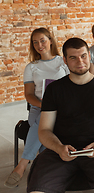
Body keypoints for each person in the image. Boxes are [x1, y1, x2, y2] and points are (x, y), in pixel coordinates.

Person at [27, 38, 94, 193]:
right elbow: (44, 130)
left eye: (83, 56)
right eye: (73, 57)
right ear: (65, 60)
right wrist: (59, 148)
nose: (80, 61)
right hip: (60, 149)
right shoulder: (54, 90)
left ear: (90, 56)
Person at [4, 28, 69, 188]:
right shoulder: (31, 67)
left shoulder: (63, 62)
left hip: (62, 109)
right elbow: (29, 95)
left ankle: (23, 165)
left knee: (40, 123)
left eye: (42, 40)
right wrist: (45, 105)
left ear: (51, 40)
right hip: (38, 107)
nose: (39, 45)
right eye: (35, 42)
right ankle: (45, 167)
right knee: (41, 119)